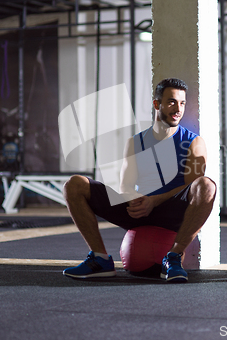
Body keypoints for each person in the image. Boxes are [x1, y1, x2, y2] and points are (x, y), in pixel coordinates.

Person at [62, 78, 216, 283]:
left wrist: (155, 201)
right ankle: (100, 259)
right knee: (75, 185)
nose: (178, 109)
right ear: (156, 104)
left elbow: (191, 186)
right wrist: (135, 199)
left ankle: (173, 257)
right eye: (171, 102)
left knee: (206, 185)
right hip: (140, 208)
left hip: (172, 211)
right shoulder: (136, 142)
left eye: (182, 103)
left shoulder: (193, 142)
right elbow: (125, 184)